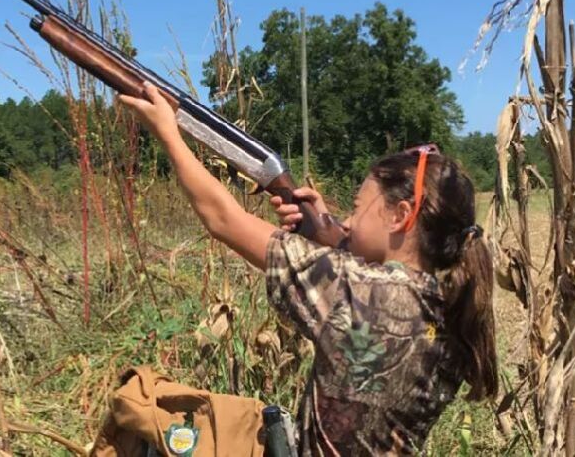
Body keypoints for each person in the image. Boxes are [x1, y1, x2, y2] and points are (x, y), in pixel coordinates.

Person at [118, 83, 497, 456]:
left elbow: (223, 219)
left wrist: (168, 134)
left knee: (148, 409)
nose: (347, 222)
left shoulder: (358, 291)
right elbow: (374, 282)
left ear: (400, 216)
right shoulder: (449, 304)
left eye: (357, 207)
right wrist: (322, 231)